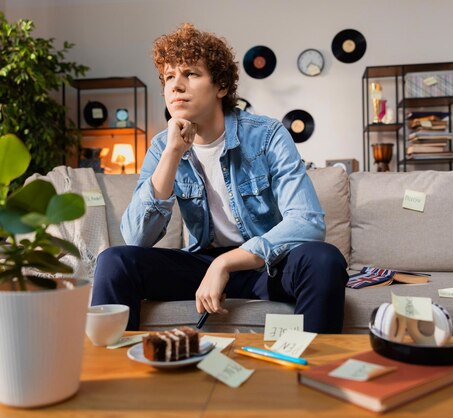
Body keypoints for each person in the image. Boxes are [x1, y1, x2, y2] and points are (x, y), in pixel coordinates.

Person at [92, 23, 348, 333]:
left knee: (324, 260)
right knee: (114, 262)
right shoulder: (162, 145)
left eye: (191, 74)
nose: (176, 86)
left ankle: (313, 372)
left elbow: (308, 222)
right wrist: (173, 153)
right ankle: (119, 375)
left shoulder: (267, 136)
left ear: (221, 86)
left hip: (265, 266)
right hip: (200, 264)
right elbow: (136, 238)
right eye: (170, 77)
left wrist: (224, 264)